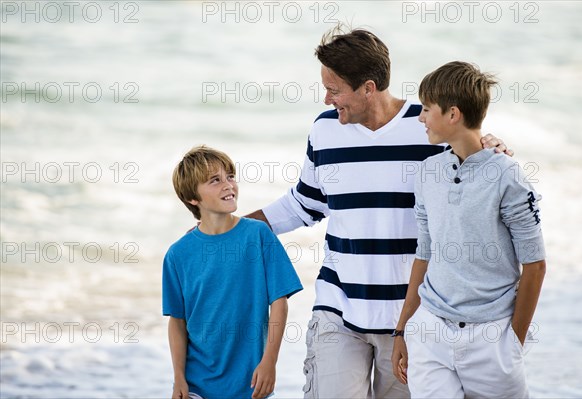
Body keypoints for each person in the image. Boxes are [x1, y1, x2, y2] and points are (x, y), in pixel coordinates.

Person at [246, 25, 512, 398]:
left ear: (368, 87)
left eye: (334, 89)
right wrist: (230, 227)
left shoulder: (428, 126)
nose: (326, 99)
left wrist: (491, 149)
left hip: (413, 315)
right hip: (337, 307)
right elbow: (305, 203)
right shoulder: (325, 130)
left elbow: (476, 170)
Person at [391, 61, 546, 398]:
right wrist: (403, 330)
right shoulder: (428, 172)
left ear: (453, 115)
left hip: (492, 340)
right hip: (431, 330)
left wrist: (512, 343)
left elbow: (535, 264)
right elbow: (425, 254)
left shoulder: (508, 176)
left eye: (427, 109)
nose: (420, 117)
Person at [163, 145, 303, 399]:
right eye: (215, 180)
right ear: (192, 198)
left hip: (250, 384)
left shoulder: (258, 235)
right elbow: (177, 321)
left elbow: (279, 303)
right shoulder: (178, 254)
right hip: (197, 387)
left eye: (230, 176)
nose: (228, 185)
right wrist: (178, 379)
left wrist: (269, 362)